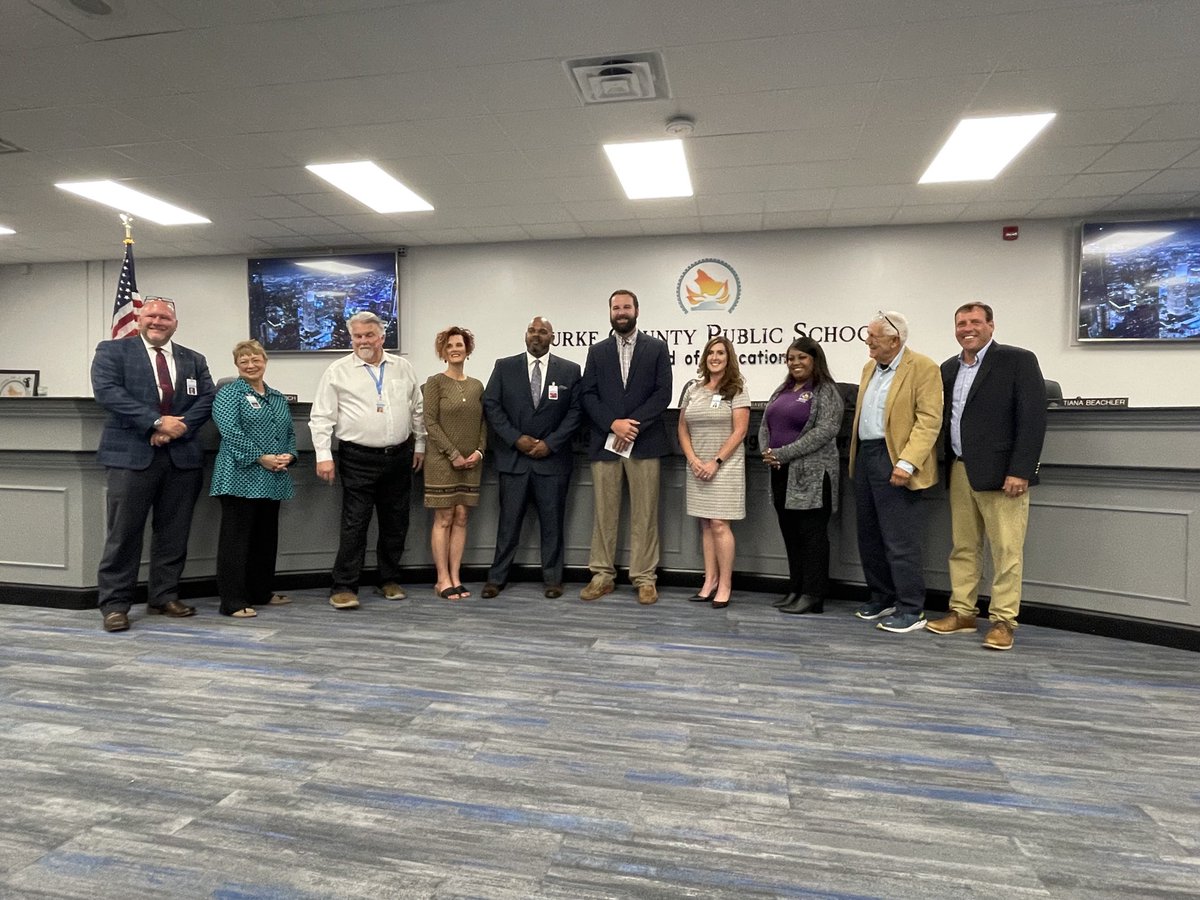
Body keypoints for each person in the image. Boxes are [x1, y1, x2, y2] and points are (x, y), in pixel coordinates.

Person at [927, 303, 1047, 651]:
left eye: (975, 322)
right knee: (963, 547)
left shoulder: (1018, 360)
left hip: (1003, 475)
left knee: (1006, 551)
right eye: (961, 323)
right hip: (960, 469)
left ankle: (1003, 621)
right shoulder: (948, 368)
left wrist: (1021, 470)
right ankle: (963, 612)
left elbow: (1033, 419)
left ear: (991, 326)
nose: (968, 328)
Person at [90, 298, 215, 633]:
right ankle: (115, 605)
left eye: (165, 317)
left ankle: (164, 596)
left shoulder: (194, 359)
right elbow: (108, 392)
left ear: (175, 323)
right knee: (124, 534)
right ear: (139, 319)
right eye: (152, 315)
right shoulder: (113, 351)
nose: (158, 321)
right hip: (130, 455)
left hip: (182, 456)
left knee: (174, 532)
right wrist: (157, 422)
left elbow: (207, 399)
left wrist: (179, 427)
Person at [309, 311, 426, 610]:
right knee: (355, 524)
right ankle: (344, 586)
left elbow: (417, 408)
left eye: (369, 335)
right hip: (357, 457)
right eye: (357, 336)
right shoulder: (338, 371)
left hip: (399, 456)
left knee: (396, 523)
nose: (363, 341)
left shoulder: (402, 367)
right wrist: (323, 455)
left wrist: (420, 444)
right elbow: (321, 416)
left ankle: (389, 579)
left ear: (382, 337)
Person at [848, 310, 943, 633]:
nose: (868, 341)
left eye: (873, 336)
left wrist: (907, 462)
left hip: (896, 458)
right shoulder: (869, 368)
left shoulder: (923, 367)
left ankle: (911, 609)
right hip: (866, 456)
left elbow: (929, 420)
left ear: (894, 340)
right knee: (869, 535)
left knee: (899, 539)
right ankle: (882, 597)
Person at [578, 289, 672, 605]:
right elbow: (588, 394)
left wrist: (632, 426)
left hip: (645, 443)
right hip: (605, 444)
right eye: (616, 307)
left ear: (637, 311)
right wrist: (613, 424)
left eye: (626, 307)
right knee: (604, 513)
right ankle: (602, 575)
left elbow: (663, 393)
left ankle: (644, 578)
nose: (621, 312)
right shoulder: (597, 351)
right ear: (610, 312)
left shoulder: (656, 348)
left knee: (645, 514)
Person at [480, 316, 582, 599]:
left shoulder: (570, 370)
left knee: (553, 525)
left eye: (543, 332)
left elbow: (576, 412)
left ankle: (553, 579)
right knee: (508, 524)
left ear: (552, 337)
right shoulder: (504, 367)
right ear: (526, 335)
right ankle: (496, 579)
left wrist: (551, 443)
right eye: (532, 331)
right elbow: (491, 405)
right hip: (514, 460)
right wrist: (516, 438)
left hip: (552, 461)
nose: (536, 335)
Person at [210, 340, 297, 618]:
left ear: (265, 361)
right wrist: (261, 457)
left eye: (255, 359)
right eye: (243, 361)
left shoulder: (277, 397)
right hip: (238, 477)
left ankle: (261, 591)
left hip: (273, 477)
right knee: (236, 541)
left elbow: (289, 433)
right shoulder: (229, 393)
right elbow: (230, 432)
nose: (250, 365)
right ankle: (232, 601)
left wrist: (289, 456)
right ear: (236, 365)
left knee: (265, 538)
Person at [759, 337, 844, 615]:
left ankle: (813, 594)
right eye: (791, 358)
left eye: (802, 358)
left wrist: (783, 453)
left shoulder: (826, 390)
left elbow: (825, 431)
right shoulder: (783, 389)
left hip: (813, 476)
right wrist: (767, 451)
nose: (795, 363)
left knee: (812, 537)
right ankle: (796, 589)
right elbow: (765, 424)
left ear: (815, 360)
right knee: (791, 534)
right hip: (781, 473)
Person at [677, 337, 750, 608]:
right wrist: (693, 459)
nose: (715, 357)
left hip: (725, 466)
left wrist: (715, 462)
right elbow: (682, 427)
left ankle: (726, 585)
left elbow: (740, 431)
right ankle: (709, 581)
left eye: (720, 353)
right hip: (697, 466)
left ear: (728, 357)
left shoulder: (737, 389)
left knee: (719, 524)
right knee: (705, 524)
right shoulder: (693, 389)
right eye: (710, 353)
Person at [423, 326, 486, 601]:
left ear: (467, 349)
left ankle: (456, 577)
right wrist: (452, 454)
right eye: (449, 346)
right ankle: (442, 579)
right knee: (445, 517)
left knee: (461, 516)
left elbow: (484, 423)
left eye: (459, 345)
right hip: (441, 461)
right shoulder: (434, 382)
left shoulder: (477, 386)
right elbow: (430, 422)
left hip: (471, 463)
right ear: (443, 352)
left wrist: (479, 451)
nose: (455, 349)